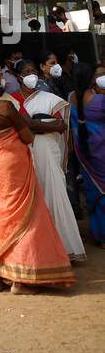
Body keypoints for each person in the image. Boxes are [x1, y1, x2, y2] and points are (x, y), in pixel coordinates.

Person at [0, 64, 73, 293]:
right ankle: (21, 280)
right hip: (11, 170)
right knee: (24, 219)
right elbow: (27, 136)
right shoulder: (4, 107)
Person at [17, 61, 85, 263]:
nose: (31, 75)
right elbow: (21, 125)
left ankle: (66, 247)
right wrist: (45, 125)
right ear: (18, 76)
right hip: (25, 153)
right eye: (26, 72)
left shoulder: (49, 98)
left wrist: (37, 127)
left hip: (47, 151)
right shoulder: (11, 99)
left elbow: (61, 125)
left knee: (55, 194)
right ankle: (42, 251)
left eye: (34, 71)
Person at [70, 62, 105, 247]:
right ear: (91, 78)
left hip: (84, 151)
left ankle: (97, 232)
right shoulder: (99, 100)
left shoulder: (70, 97)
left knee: (93, 191)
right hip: (101, 149)